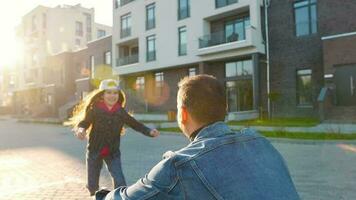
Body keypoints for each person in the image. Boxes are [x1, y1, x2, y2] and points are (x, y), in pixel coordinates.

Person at [96, 75, 300, 200]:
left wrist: (103, 195)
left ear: (183, 114)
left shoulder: (178, 166)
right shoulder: (263, 143)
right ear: (224, 111)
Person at [65, 79, 159, 196]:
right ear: (102, 95)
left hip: (113, 152)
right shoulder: (95, 109)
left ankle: (120, 197)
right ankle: (94, 194)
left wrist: (149, 131)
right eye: (108, 92)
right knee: (92, 185)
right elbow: (84, 122)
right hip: (94, 151)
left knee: (120, 181)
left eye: (115, 93)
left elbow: (135, 124)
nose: (112, 95)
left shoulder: (120, 112)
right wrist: (81, 130)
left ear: (118, 95)